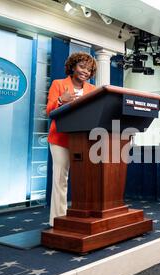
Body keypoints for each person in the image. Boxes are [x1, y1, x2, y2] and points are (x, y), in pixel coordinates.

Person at [46, 52, 97, 226]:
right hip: (60, 139)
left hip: (83, 140)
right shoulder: (58, 84)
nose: (85, 72)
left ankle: (83, 216)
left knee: (85, 180)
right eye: (82, 67)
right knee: (60, 179)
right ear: (73, 66)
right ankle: (57, 220)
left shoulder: (92, 90)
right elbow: (49, 112)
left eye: (89, 70)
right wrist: (61, 100)